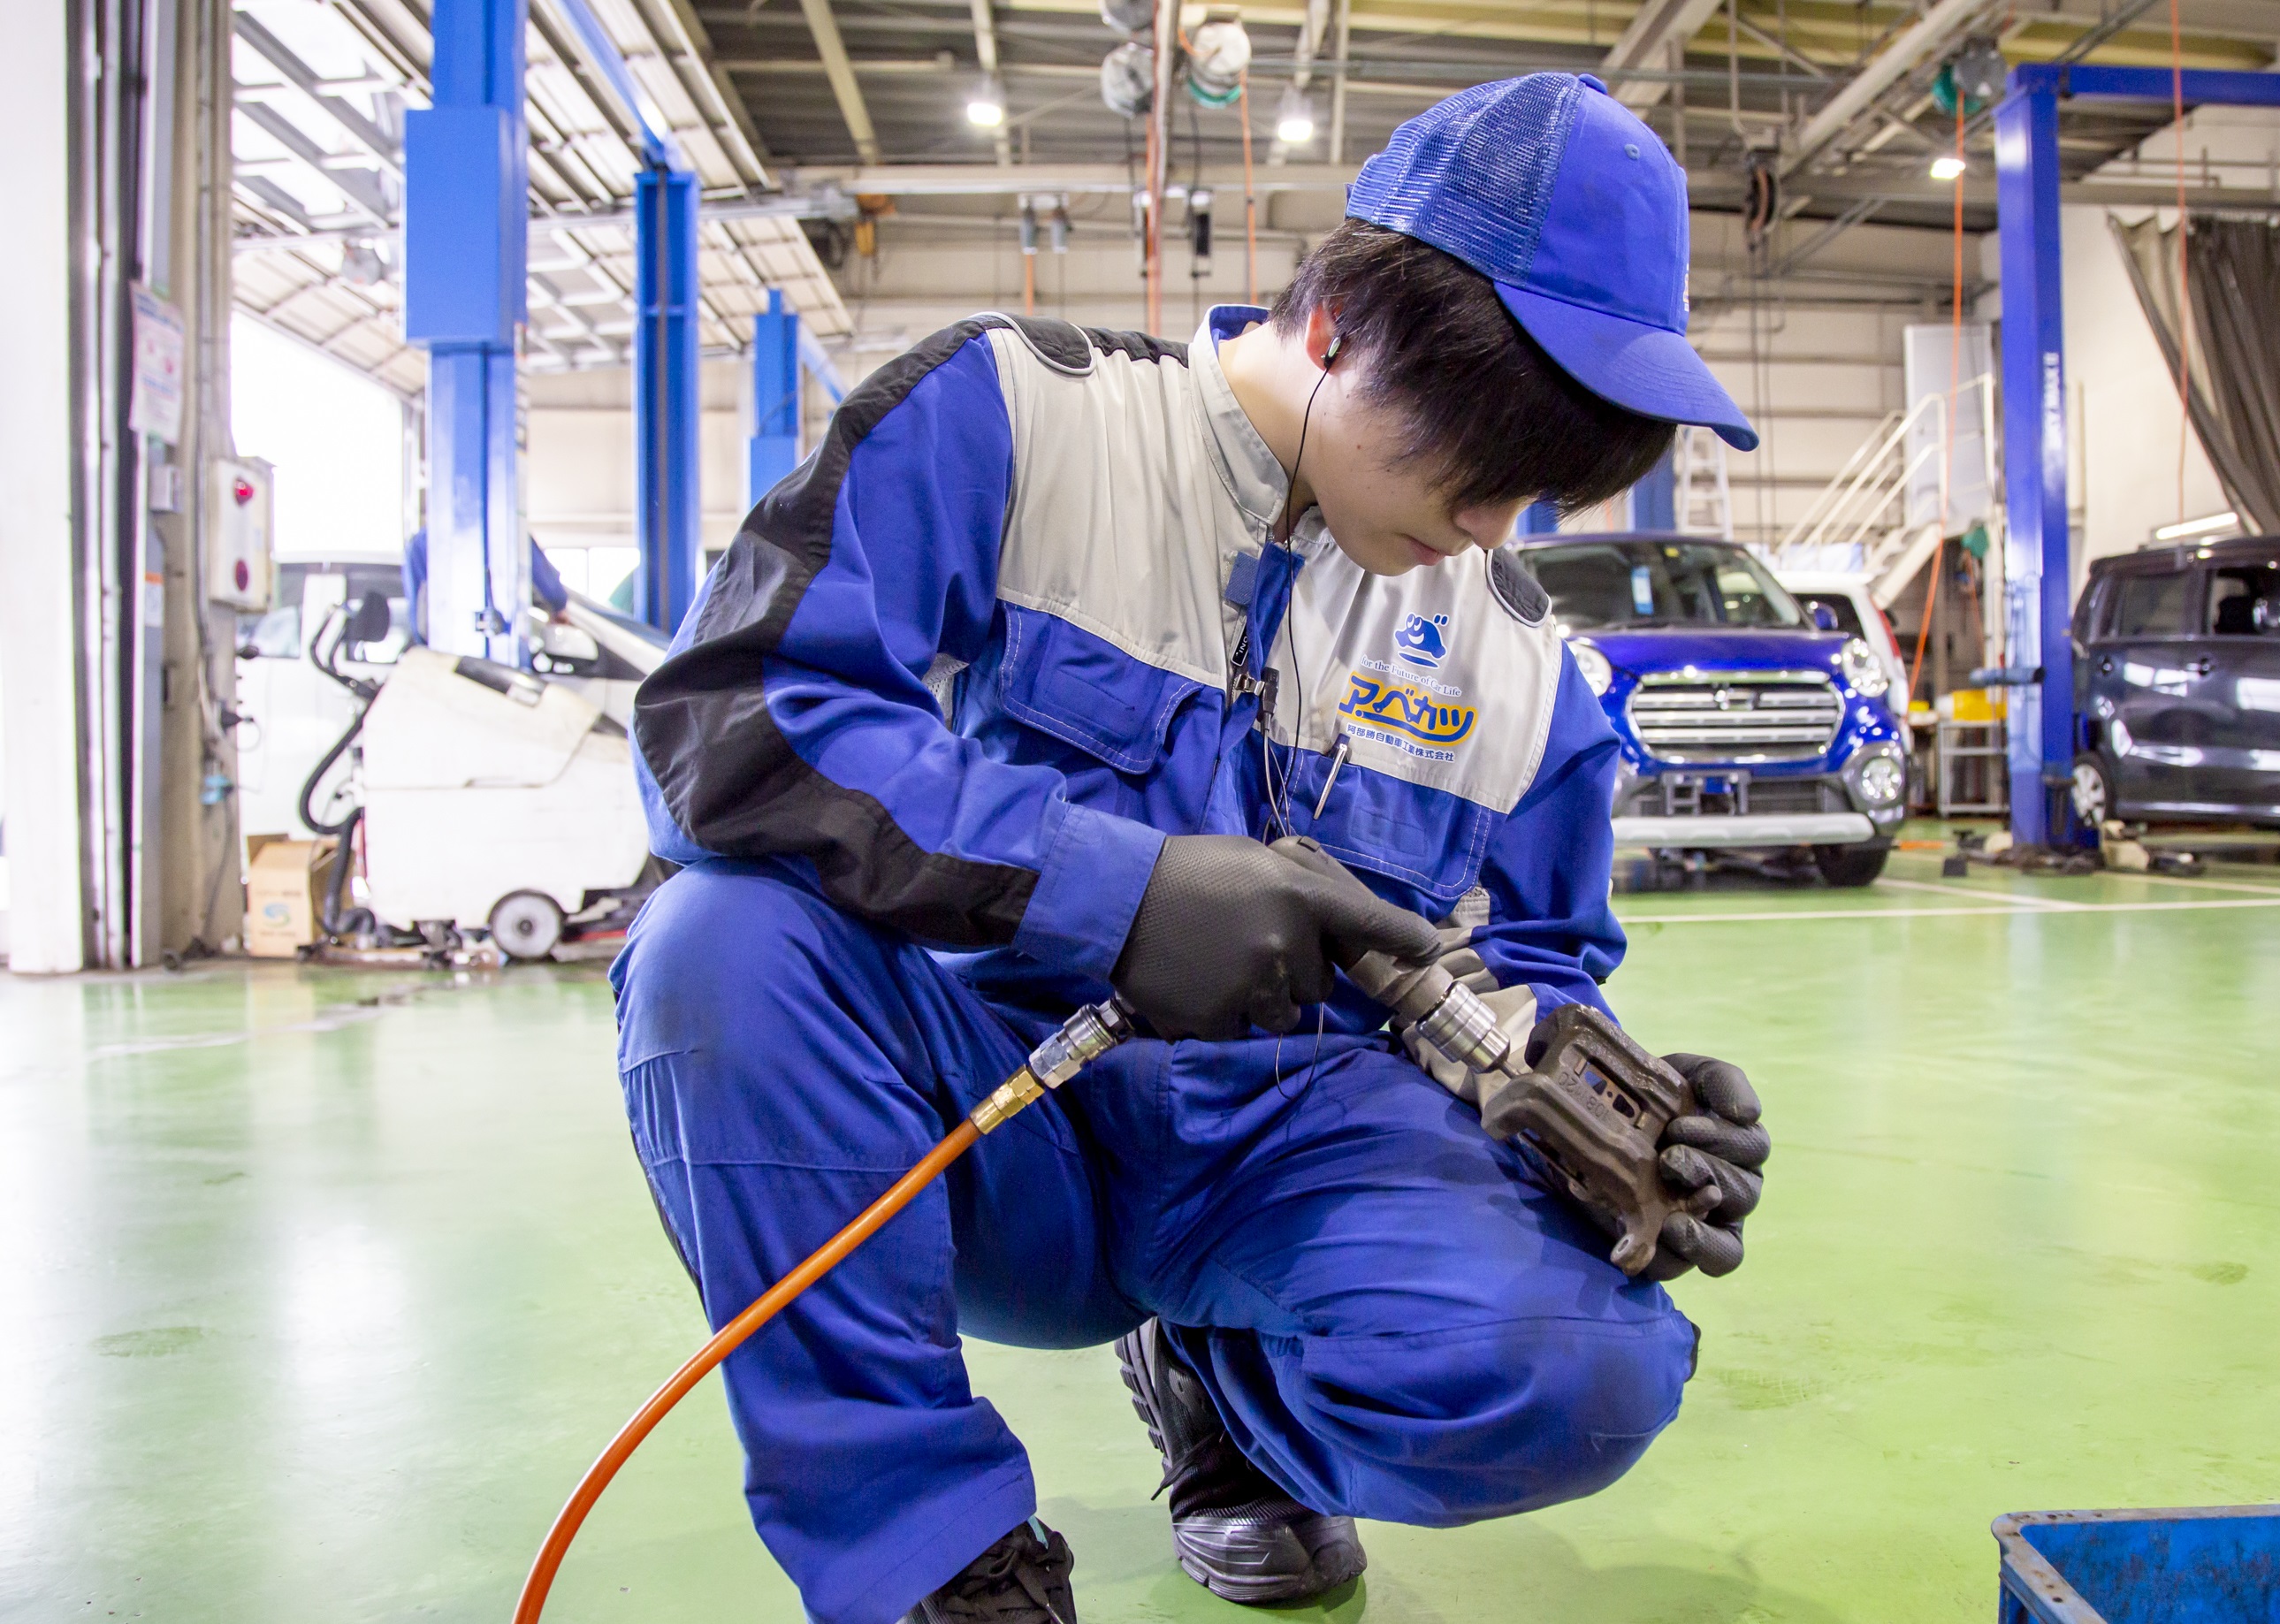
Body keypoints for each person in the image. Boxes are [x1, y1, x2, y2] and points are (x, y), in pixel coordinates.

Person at [614, 72, 1767, 1624]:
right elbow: (733, 720)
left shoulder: (1518, 665)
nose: (1493, 525)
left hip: (1293, 1166)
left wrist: (1613, 1109)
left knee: (1587, 1372)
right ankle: (929, 1552)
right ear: (1339, 321)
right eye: (1478, 456)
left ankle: (1228, 1403)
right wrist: (1114, 888)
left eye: (1537, 484)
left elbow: (1534, 960)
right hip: (997, 1120)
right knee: (716, 950)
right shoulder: (1018, 421)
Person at [398, 528, 568, 646]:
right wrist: (559, 610)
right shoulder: (508, 529)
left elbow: (420, 623)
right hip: (496, 657)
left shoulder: (420, 544)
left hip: (443, 659)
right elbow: (551, 591)